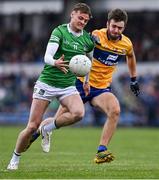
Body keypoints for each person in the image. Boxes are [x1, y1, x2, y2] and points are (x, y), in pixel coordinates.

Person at [24, 8, 140, 164]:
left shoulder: (126, 43)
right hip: (79, 83)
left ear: (123, 28)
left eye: (120, 28)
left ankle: (101, 151)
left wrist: (133, 79)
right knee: (58, 120)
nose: (116, 30)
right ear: (108, 24)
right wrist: (91, 40)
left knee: (115, 110)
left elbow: (131, 56)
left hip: (101, 89)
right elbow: (82, 40)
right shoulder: (96, 35)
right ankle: (38, 133)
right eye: (113, 26)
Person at [7, 3, 94, 170]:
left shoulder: (87, 40)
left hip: (68, 86)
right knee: (32, 126)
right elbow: (46, 56)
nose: (83, 22)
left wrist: (87, 80)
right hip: (47, 83)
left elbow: (88, 60)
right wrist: (55, 62)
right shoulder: (59, 31)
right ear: (72, 15)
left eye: (86, 20)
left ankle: (47, 128)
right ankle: (15, 158)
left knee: (78, 113)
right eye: (80, 18)